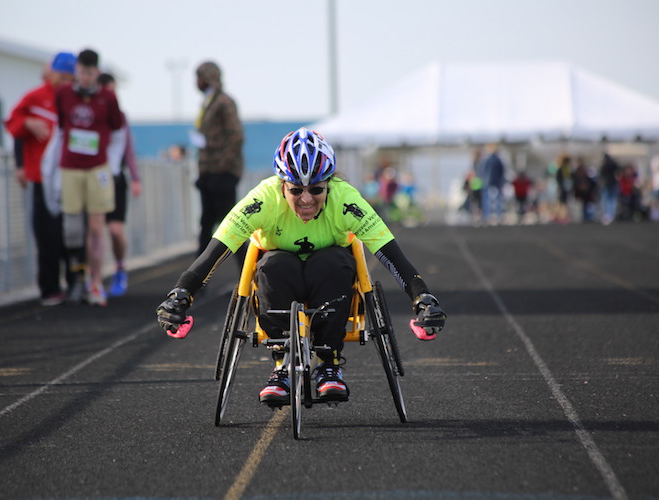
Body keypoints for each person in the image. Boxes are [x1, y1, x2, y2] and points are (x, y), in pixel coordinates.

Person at [156, 128, 446, 406]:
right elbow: (216, 250)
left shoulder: (346, 199)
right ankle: (282, 363)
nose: (306, 199)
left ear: (329, 184)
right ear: (282, 184)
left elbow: (391, 254)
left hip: (330, 271)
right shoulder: (262, 199)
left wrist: (422, 299)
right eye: (296, 190)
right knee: (273, 265)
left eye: (317, 189)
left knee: (332, 261)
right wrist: (181, 294)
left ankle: (329, 362)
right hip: (281, 272)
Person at [43, 48, 124, 306]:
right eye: (81, 73)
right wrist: (53, 173)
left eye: (90, 73)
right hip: (71, 168)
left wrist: (111, 164)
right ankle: (77, 277)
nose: (86, 78)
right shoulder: (64, 94)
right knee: (73, 228)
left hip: (97, 168)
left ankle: (96, 283)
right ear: (76, 72)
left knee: (96, 228)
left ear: (96, 72)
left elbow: (118, 130)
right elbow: (61, 130)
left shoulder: (108, 98)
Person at [4, 52, 76, 306]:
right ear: (51, 72)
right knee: (46, 236)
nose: (66, 81)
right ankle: (50, 288)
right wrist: (29, 123)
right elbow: (13, 125)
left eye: (71, 77)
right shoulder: (35, 97)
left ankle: (76, 284)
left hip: (70, 178)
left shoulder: (76, 99)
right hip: (41, 179)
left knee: (72, 234)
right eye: (62, 76)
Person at [190, 61, 244, 255]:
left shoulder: (224, 102)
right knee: (206, 225)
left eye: (199, 77)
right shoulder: (209, 102)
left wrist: (223, 169)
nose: (197, 82)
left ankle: (249, 275)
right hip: (209, 174)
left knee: (232, 227)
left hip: (222, 175)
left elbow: (236, 137)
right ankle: (197, 280)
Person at [97, 72, 142, 296]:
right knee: (94, 230)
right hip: (94, 177)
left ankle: (120, 268)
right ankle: (94, 279)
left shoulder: (121, 117)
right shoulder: (95, 114)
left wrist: (135, 178)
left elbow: (129, 150)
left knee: (115, 230)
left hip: (115, 179)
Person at [477, 143, 506, 224]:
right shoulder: (498, 160)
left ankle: (487, 216)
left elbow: (481, 171)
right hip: (496, 182)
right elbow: (502, 171)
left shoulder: (486, 160)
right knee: (498, 199)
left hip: (487, 182)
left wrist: (483, 179)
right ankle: (498, 216)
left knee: (487, 199)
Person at [598, 152, 620, 225]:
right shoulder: (614, 164)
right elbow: (619, 171)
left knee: (606, 200)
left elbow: (601, 174)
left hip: (606, 184)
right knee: (612, 200)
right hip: (613, 183)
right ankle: (611, 215)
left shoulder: (604, 165)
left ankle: (606, 216)